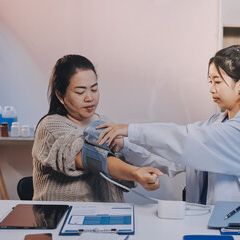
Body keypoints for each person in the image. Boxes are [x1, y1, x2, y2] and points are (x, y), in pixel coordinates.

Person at [97, 39, 240, 205]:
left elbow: (187, 140)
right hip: (207, 219)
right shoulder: (215, 123)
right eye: (210, 81)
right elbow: (170, 157)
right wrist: (124, 145)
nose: (211, 89)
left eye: (217, 81)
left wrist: (131, 130)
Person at [32, 54, 162, 202]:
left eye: (94, 89)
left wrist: (142, 174)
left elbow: (122, 174)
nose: (89, 98)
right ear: (60, 95)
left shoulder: (105, 122)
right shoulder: (50, 126)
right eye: (80, 92)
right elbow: (90, 156)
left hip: (108, 216)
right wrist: (135, 172)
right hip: (62, 218)